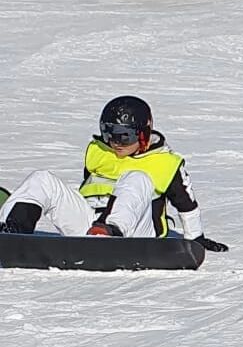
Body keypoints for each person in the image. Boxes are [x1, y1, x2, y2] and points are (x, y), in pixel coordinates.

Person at [0, 96, 226, 252]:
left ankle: (110, 233)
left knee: (135, 177)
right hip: (89, 226)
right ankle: (12, 232)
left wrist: (195, 240)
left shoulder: (166, 162)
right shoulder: (99, 151)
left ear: (143, 134)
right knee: (42, 179)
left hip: (136, 234)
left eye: (124, 136)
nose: (115, 142)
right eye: (108, 134)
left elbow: (187, 205)